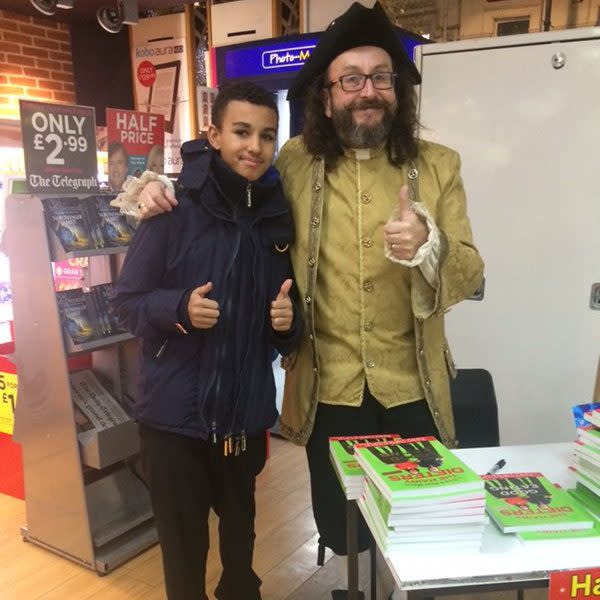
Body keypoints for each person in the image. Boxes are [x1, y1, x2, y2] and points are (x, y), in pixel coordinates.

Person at [131, 2, 484, 596]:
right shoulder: (295, 162)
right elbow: (225, 162)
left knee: (423, 528)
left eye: (379, 77)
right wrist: (160, 186)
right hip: (332, 388)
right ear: (326, 95)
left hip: (414, 387)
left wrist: (431, 243)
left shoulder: (441, 166)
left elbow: (471, 272)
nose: (366, 91)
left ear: (397, 91)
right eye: (351, 79)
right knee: (345, 531)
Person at [110, 81, 303, 600]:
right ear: (214, 134)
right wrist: (178, 309)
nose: (253, 147)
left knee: (241, 548)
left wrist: (289, 320)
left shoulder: (279, 214)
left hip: (243, 419)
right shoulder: (173, 207)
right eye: (241, 132)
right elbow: (126, 301)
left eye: (266, 135)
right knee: (183, 550)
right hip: (175, 420)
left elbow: (288, 312)